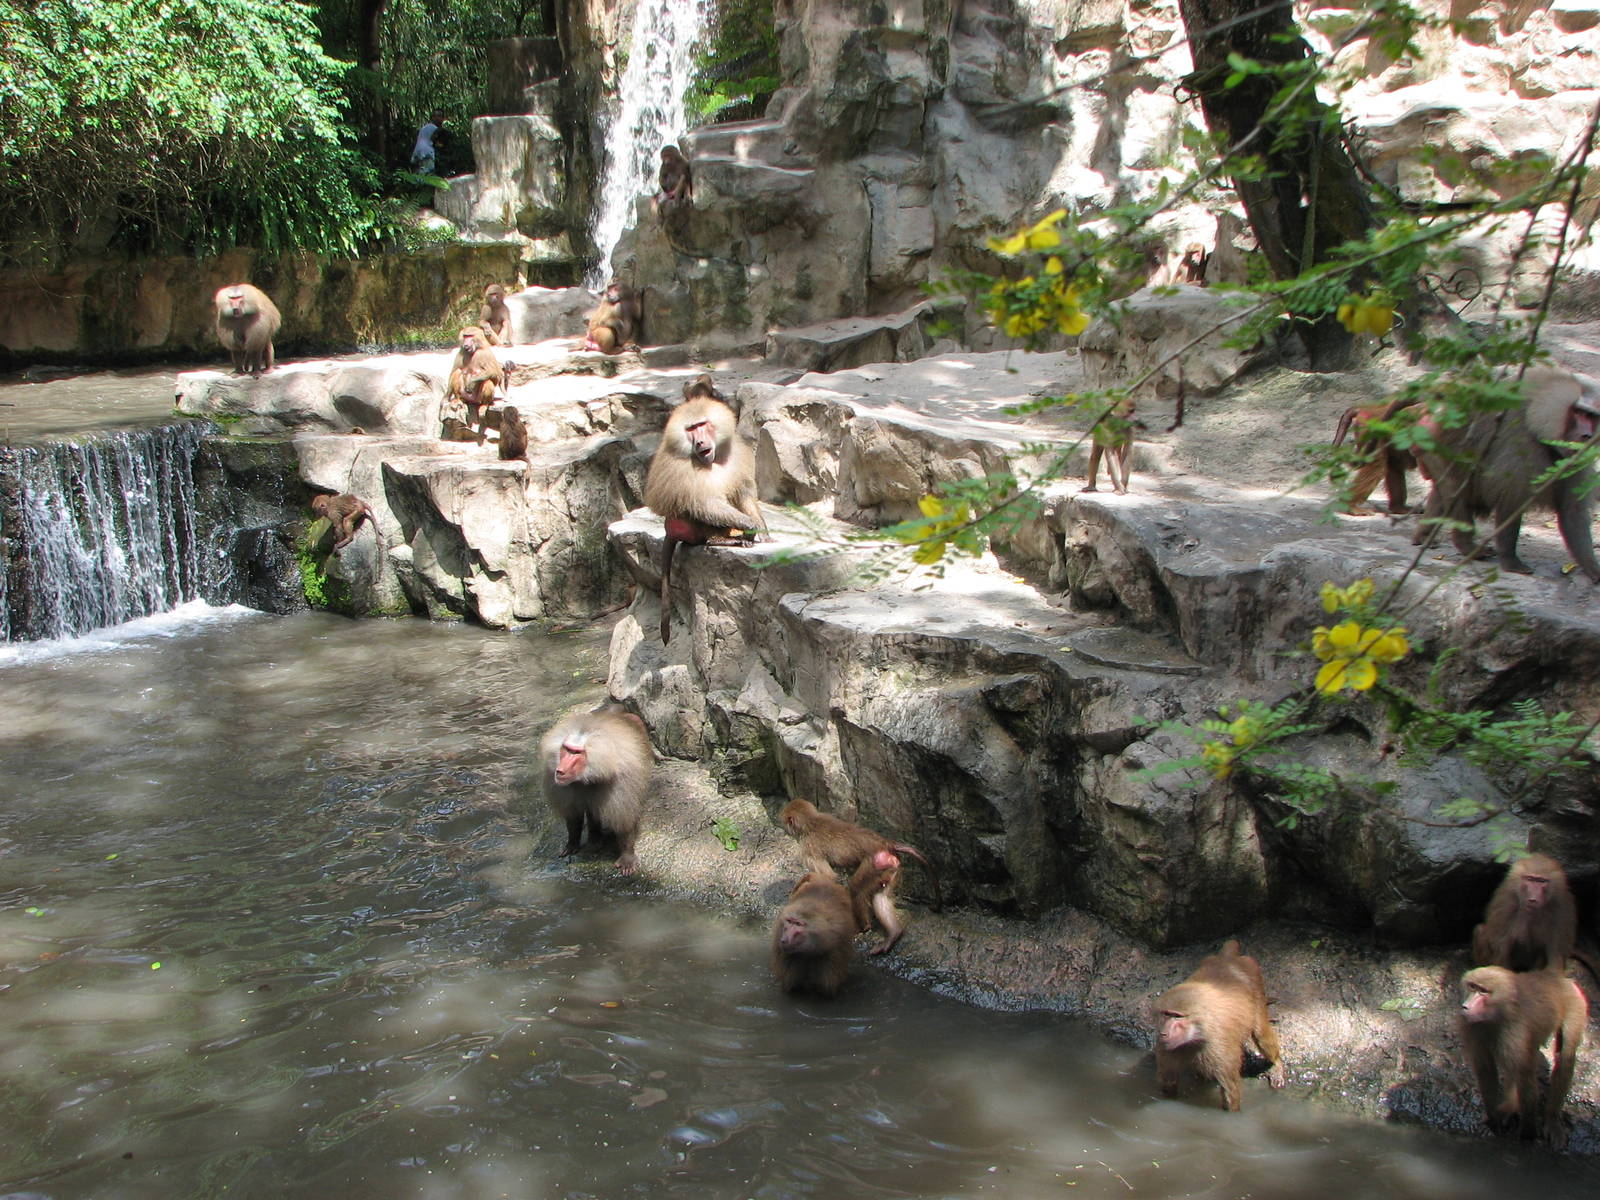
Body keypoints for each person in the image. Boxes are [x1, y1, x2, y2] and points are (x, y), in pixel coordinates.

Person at [410, 110, 445, 176]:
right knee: (428, 174)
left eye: (440, 116)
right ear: (433, 117)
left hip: (417, 151)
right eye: (437, 116)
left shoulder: (424, 127)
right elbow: (436, 141)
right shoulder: (435, 128)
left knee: (418, 173)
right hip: (427, 152)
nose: (438, 118)